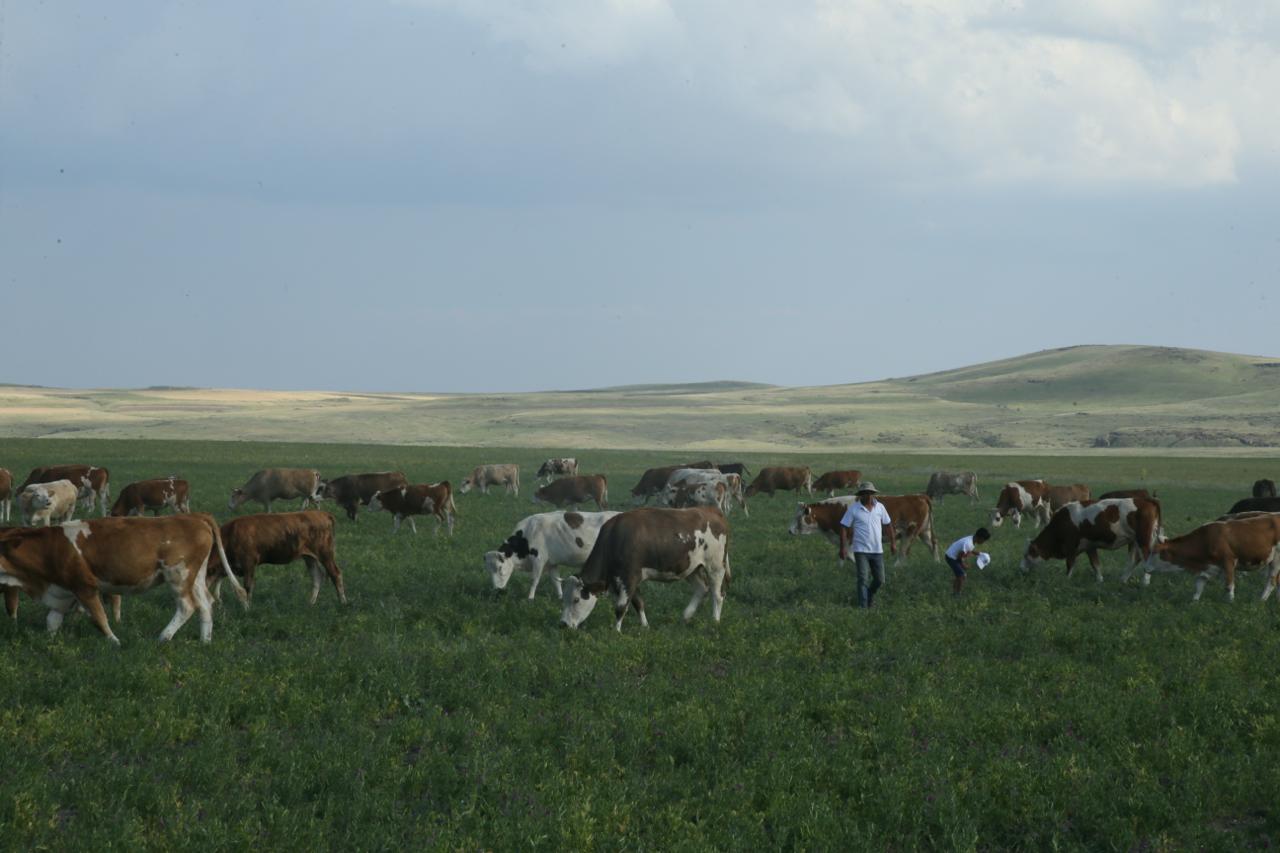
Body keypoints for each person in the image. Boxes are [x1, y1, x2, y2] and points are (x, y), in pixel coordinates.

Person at [838, 482, 896, 608]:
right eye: (865, 493)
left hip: (877, 550)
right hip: (860, 550)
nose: (868, 496)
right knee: (863, 578)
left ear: (874, 494)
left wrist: (893, 543)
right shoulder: (854, 508)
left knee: (880, 580)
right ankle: (863, 607)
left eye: (870, 493)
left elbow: (888, 524)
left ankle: (869, 594)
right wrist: (843, 547)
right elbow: (843, 526)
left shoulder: (880, 507)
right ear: (861, 495)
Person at [944, 527, 991, 595]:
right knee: (962, 575)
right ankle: (957, 594)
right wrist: (963, 565)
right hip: (951, 557)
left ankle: (954, 591)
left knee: (959, 575)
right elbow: (960, 556)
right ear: (980, 538)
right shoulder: (968, 543)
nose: (983, 542)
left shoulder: (972, 539)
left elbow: (969, 550)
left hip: (953, 556)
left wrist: (978, 553)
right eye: (984, 540)